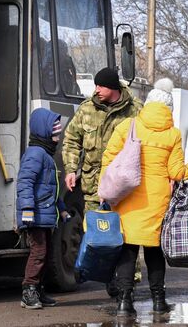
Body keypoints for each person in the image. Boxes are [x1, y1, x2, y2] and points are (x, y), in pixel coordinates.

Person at [100, 78, 188, 318]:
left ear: (147, 104)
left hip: (127, 196)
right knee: (155, 252)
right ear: (169, 110)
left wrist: (106, 188)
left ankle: (124, 303)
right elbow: (176, 172)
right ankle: (159, 301)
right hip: (157, 201)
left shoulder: (128, 125)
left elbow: (109, 159)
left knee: (127, 250)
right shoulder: (173, 134)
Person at [62, 67, 142, 211]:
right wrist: (71, 169)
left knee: (119, 232)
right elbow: (71, 140)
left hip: (122, 190)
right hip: (93, 189)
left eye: (101, 86)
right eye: (95, 85)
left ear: (112, 87)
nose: (96, 90)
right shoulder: (87, 109)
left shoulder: (135, 110)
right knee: (93, 230)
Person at [17, 108, 70, 309]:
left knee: (46, 253)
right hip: (35, 215)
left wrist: (62, 209)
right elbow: (25, 183)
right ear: (44, 133)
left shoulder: (46, 155)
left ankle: (38, 289)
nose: (57, 138)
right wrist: (27, 209)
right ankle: (28, 290)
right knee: (38, 252)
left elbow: (51, 190)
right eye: (55, 134)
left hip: (44, 215)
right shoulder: (35, 154)